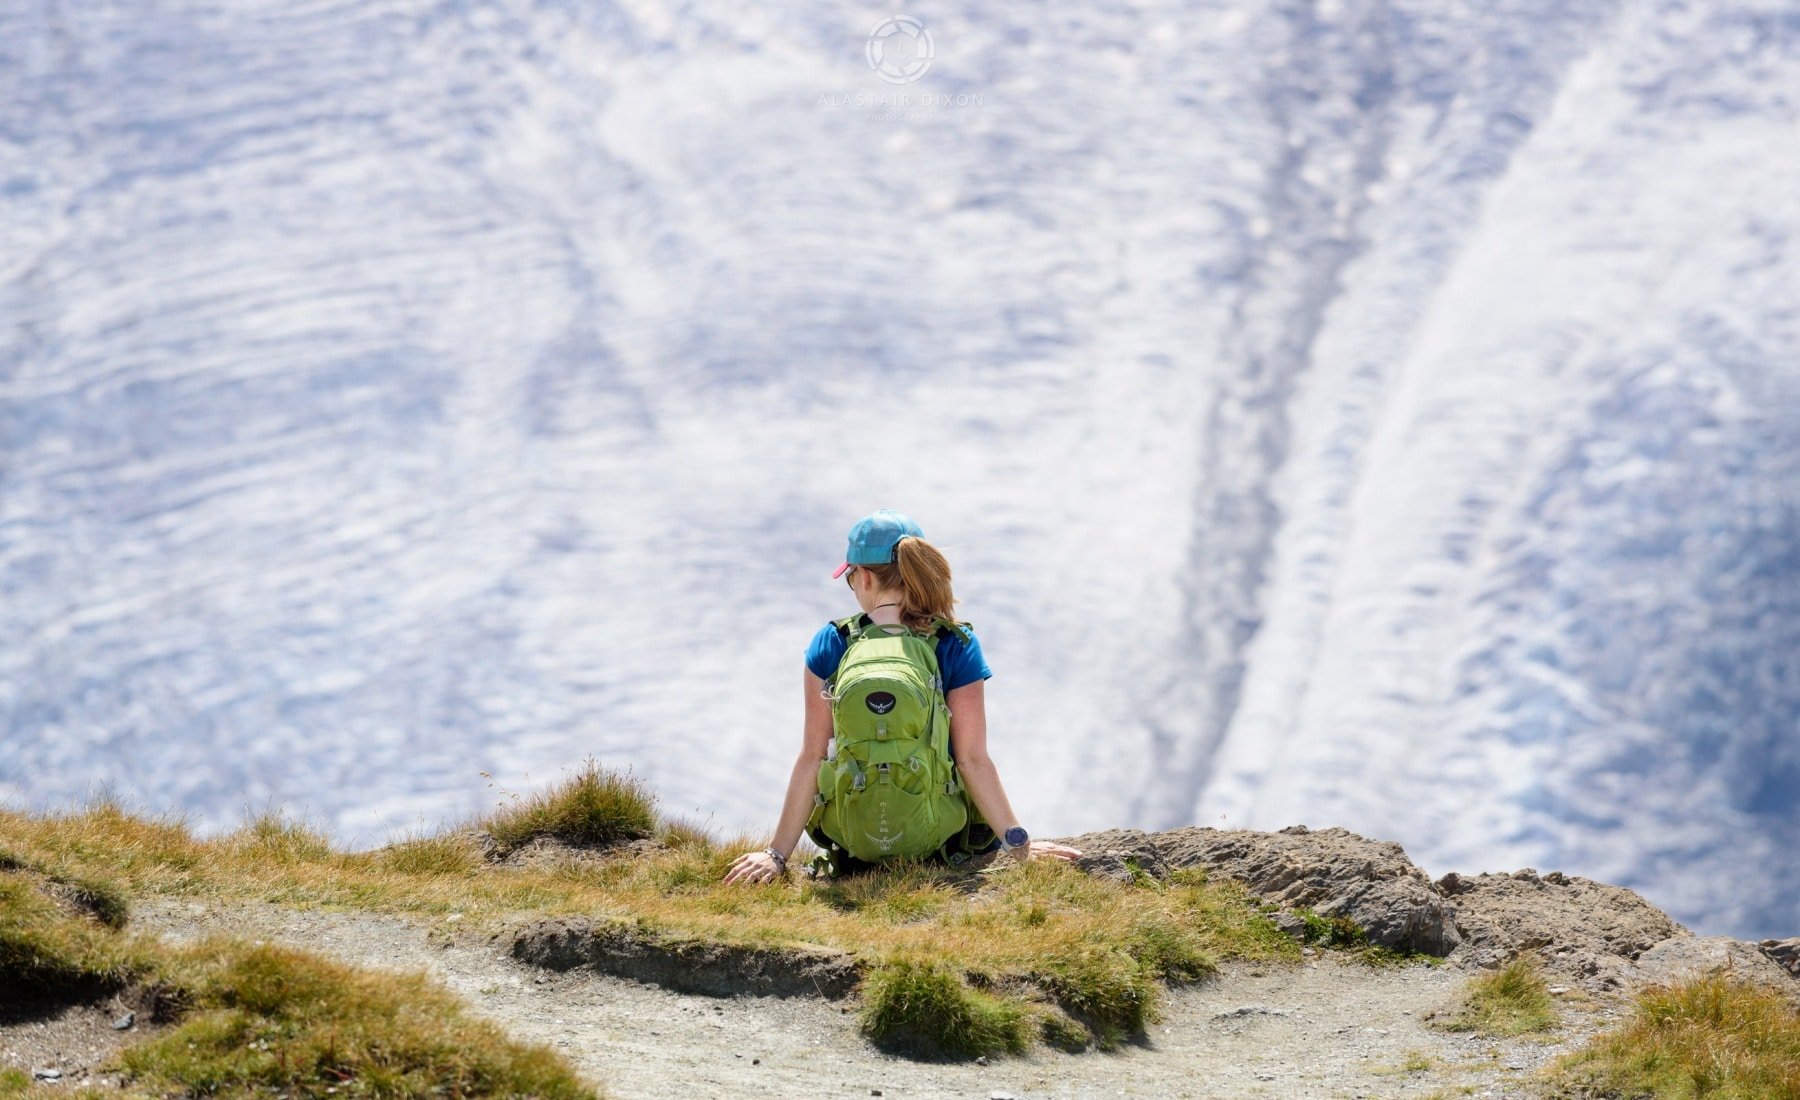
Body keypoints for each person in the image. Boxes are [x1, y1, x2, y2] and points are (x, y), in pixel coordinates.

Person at [724, 509, 1082, 885]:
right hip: (942, 845)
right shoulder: (955, 644)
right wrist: (1019, 846)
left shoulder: (832, 643)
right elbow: (973, 760)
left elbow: (812, 756)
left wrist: (776, 855)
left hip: (855, 845)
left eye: (849, 578)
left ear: (863, 576)